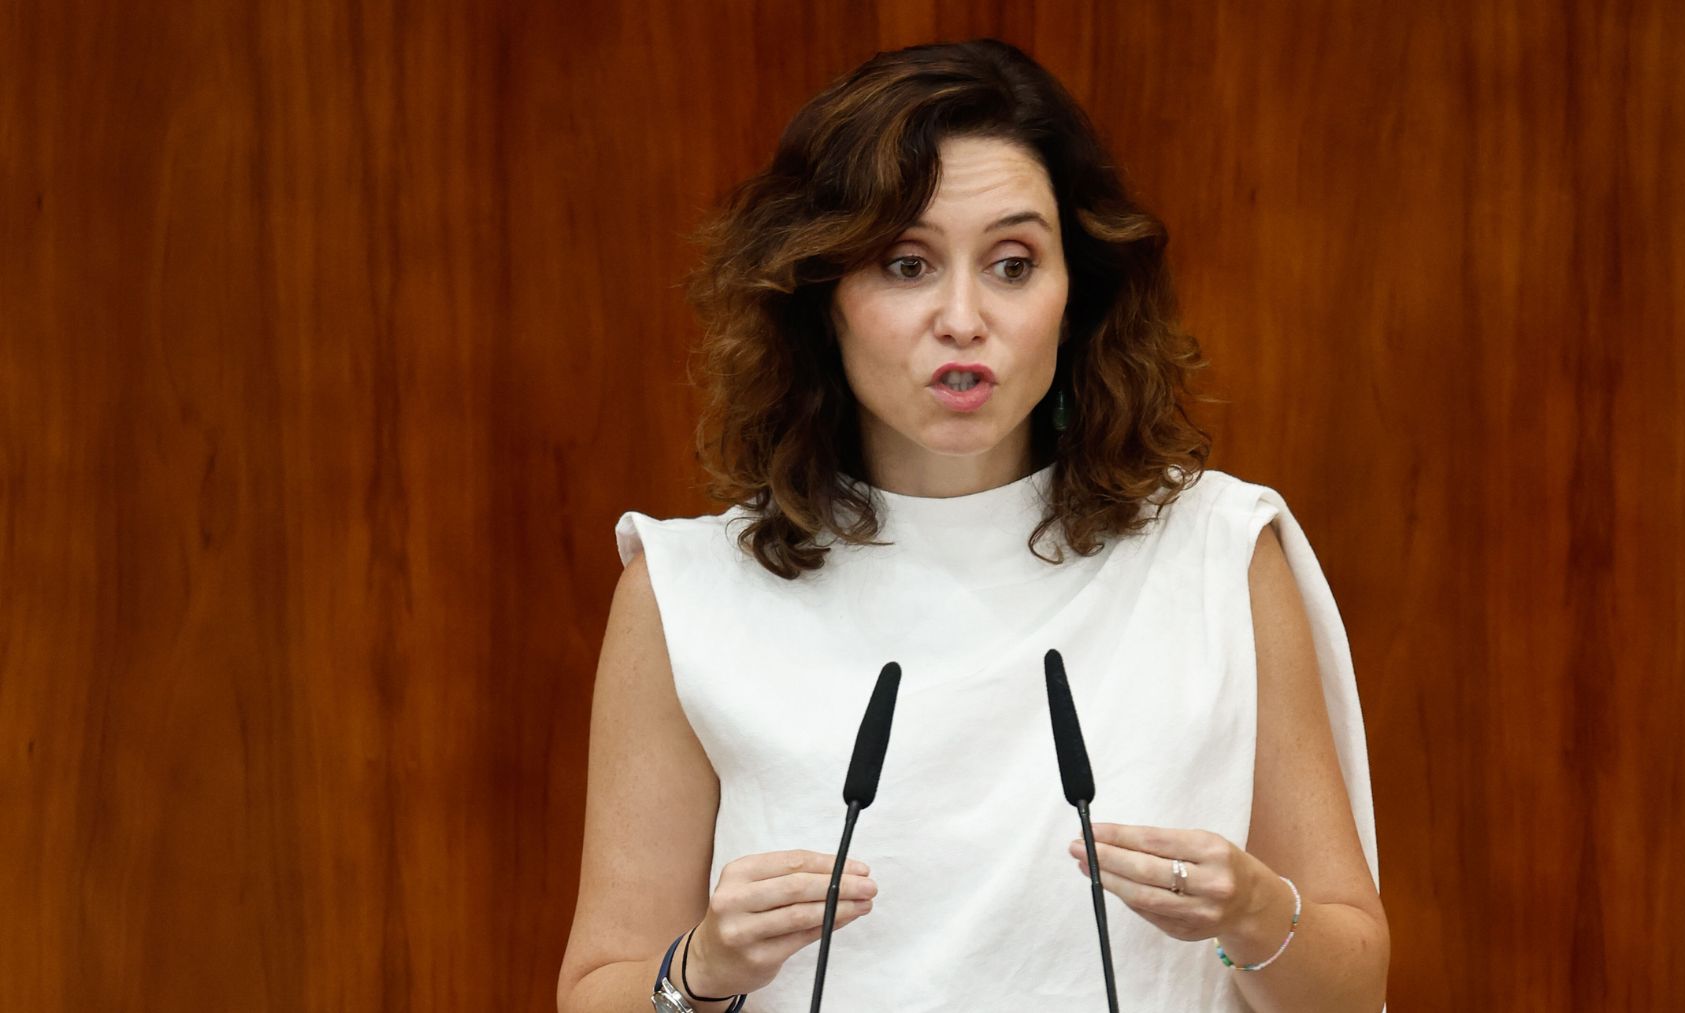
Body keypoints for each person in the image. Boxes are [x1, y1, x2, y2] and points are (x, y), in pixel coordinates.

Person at [557, 38, 1387, 1013]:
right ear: (823, 295)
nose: (962, 316)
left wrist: (1256, 913)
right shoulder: (687, 593)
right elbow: (599, 986)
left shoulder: (1220, 551)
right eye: (907, 263)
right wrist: (695, 972)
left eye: (1011, 263)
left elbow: (1354, 979)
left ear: (1074, 295)